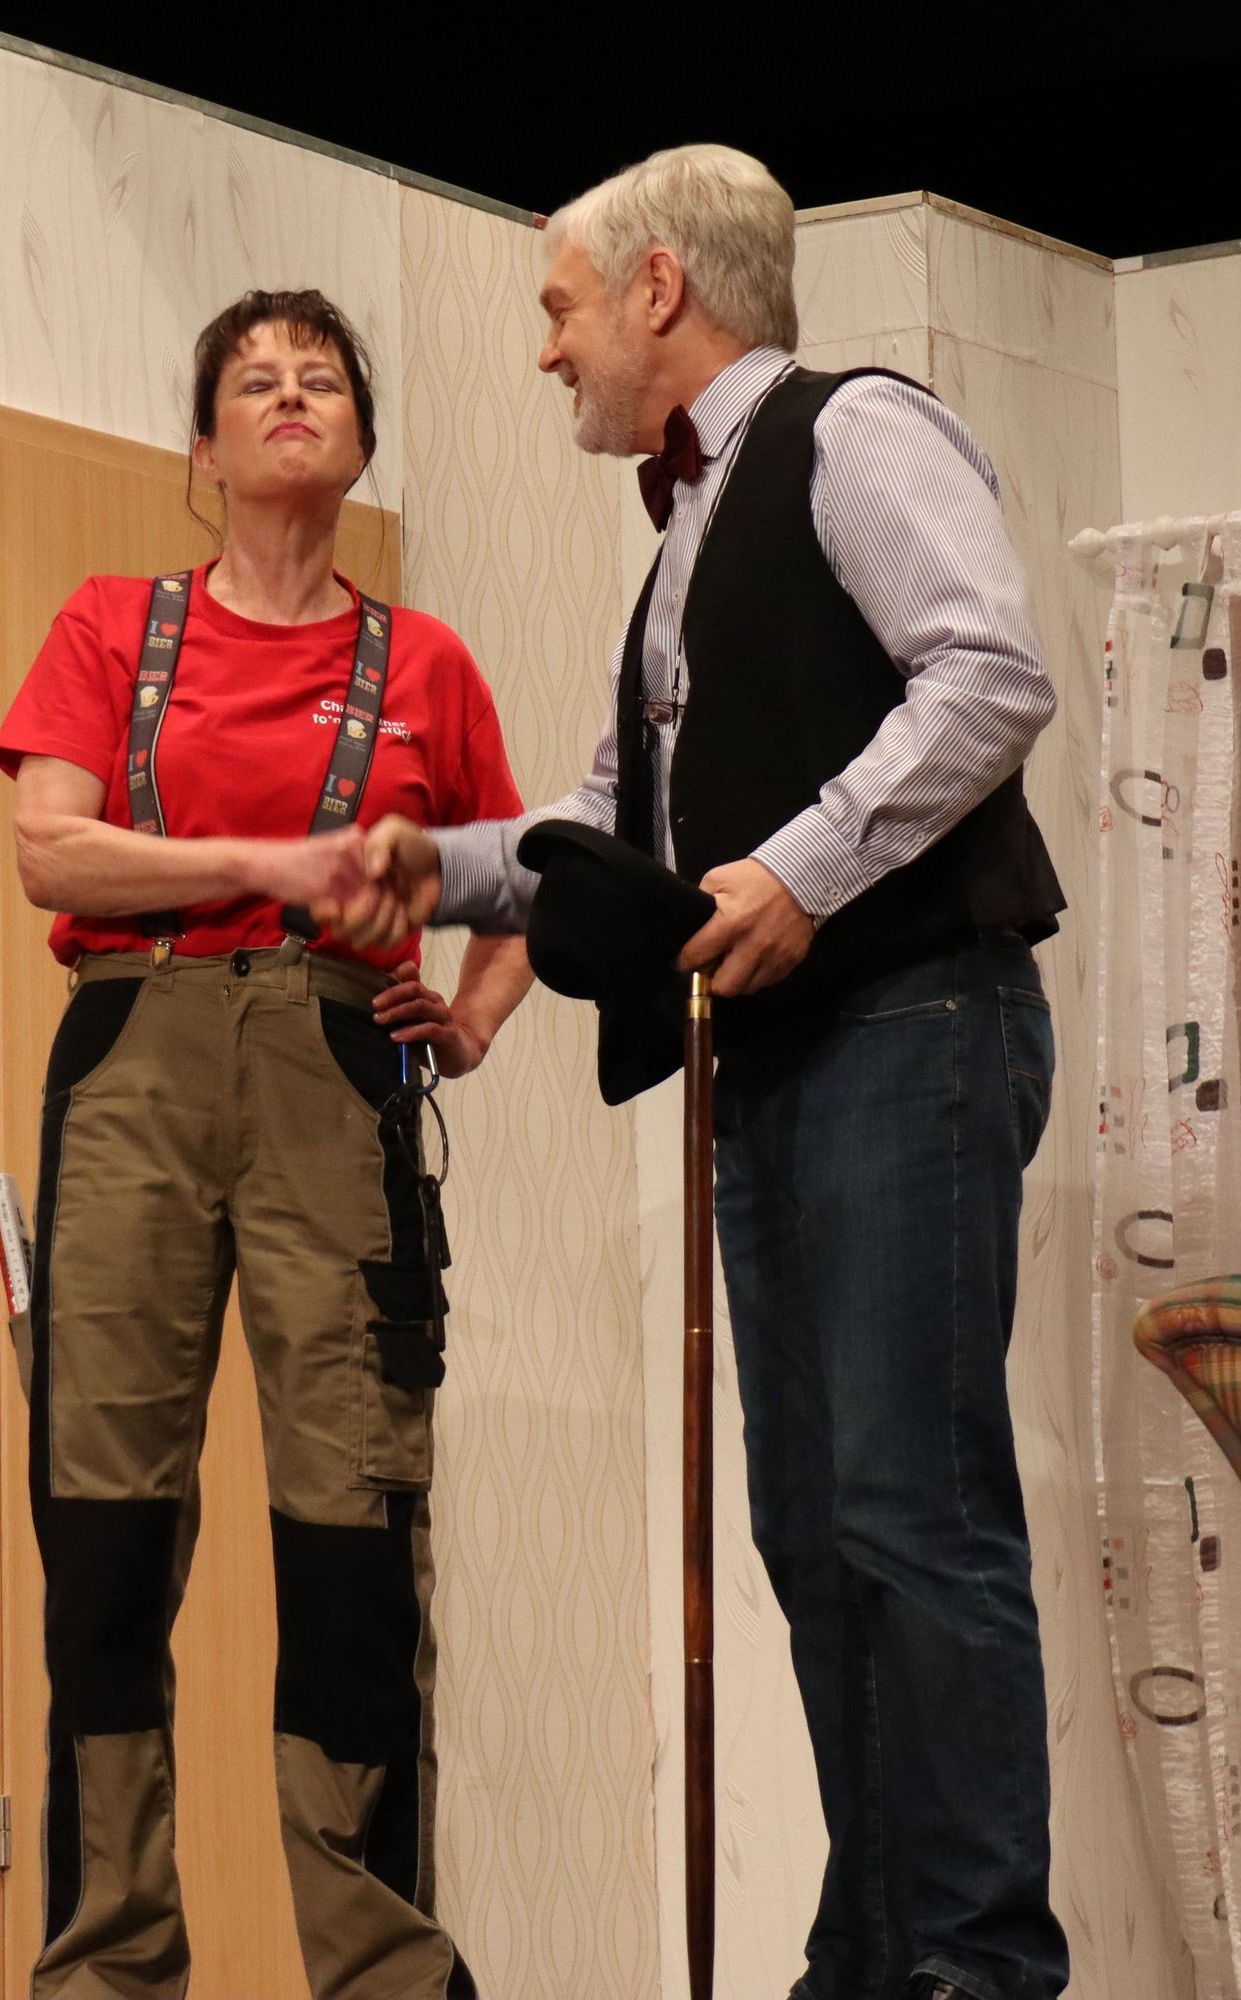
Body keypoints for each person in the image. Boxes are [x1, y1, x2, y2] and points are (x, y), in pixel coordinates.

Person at [322, 147, 1072, 2000]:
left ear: (659, 288)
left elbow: (988, 674)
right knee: (815, 1527)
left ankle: (977, 1962)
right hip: (791, 1065)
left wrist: (800, 871)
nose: (547, 353)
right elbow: (613, 823)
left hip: (912, 1028)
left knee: (912, 1512)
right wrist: (436, 870)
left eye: (560, 308)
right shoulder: (687, 536)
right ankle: (877, 1947)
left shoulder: (851, 432)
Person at [0, 288, 529, 2000]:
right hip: (132, 1065)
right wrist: (267, 867)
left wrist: (477, 1014)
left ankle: (381, 1973)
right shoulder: (108, 626)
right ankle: (107, 1968)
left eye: (321, 381)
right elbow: (52, 850)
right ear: (204, 447)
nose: (290, 397)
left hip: (335, 1072)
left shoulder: (427, 663)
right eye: (254, 380)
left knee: (354, 1538)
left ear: (359, 440)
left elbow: (520, 876)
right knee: (103, 1541)